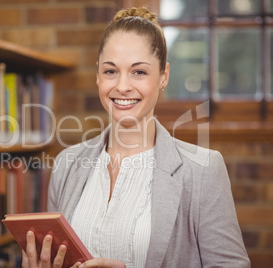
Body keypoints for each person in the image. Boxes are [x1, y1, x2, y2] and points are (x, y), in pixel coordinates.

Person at [22, 6, 251, 268]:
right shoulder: (66, 164)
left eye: (138, 72)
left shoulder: (203, 170)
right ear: (98, 75)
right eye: (110, 71)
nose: (122, 86)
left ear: (163, 76)